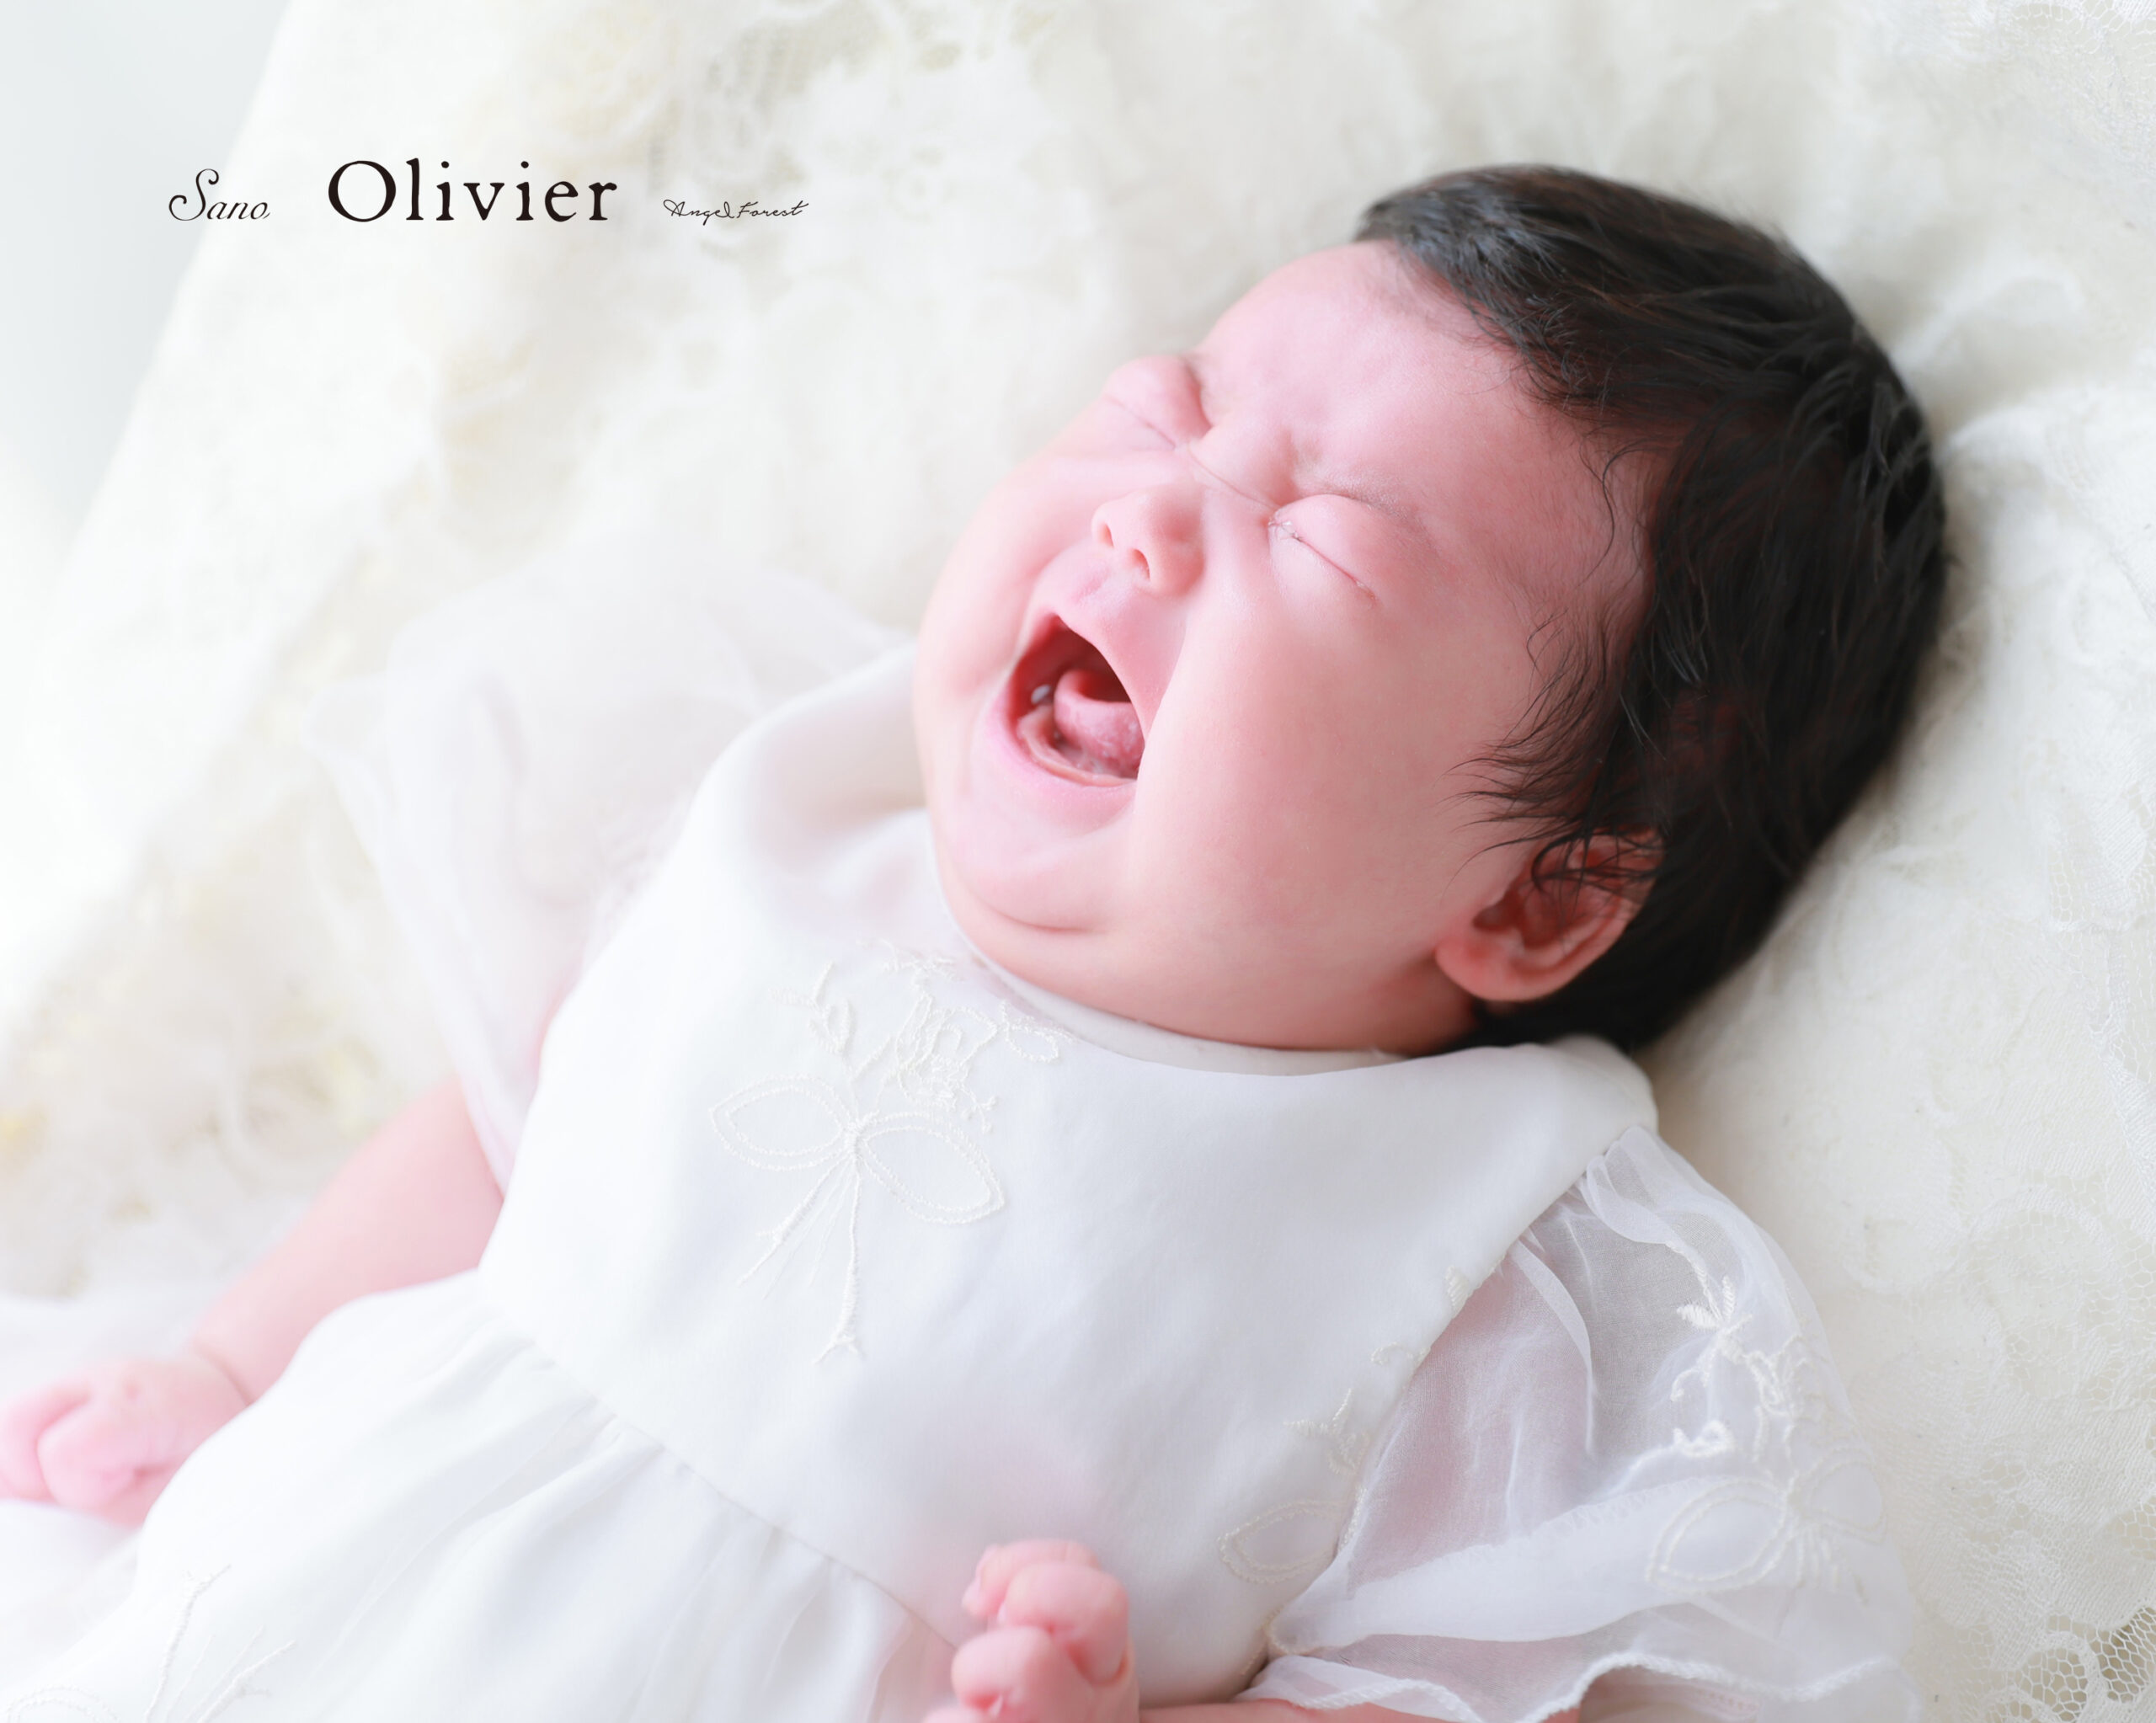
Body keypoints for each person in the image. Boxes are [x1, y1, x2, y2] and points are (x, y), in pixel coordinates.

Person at [0, 166, 1943, 1722]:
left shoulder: (1452, 1243)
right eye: (1164, 412)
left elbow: (1429, 1689)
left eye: (1326, 541)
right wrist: (229, 1365)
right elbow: (503, 1138)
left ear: (1531, 897)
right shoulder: (798, 836)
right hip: (291, 1604)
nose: (1149, 515)